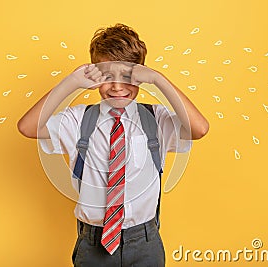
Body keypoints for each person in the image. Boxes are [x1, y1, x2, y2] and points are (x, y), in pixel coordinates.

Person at [18, 23, 209, 267]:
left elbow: (200, 129)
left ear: (141, 75)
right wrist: (71, 82)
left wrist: (159, 80)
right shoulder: (79, 120)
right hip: (93, 243)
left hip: (145, 242)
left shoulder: (156, 119)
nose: (117, 87)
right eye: (108, 76)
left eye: (128, 76)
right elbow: (27, 127)